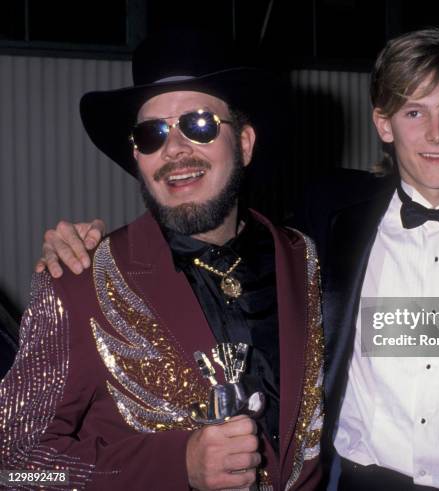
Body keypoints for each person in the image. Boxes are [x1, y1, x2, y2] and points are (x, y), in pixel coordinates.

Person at [34, 29, 439, 490]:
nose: (436, 133)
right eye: (414, 111)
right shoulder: (327, 217)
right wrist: (84, 244)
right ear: (384, 125)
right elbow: (202, 211)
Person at [0, 29, 323, 491]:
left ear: (246, 143)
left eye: (198, 124)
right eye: (151, 134)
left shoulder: (303, 260)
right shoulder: (77, 282)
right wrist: (178, 465)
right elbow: (13, 462)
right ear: (137, 156)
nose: (173, 150)